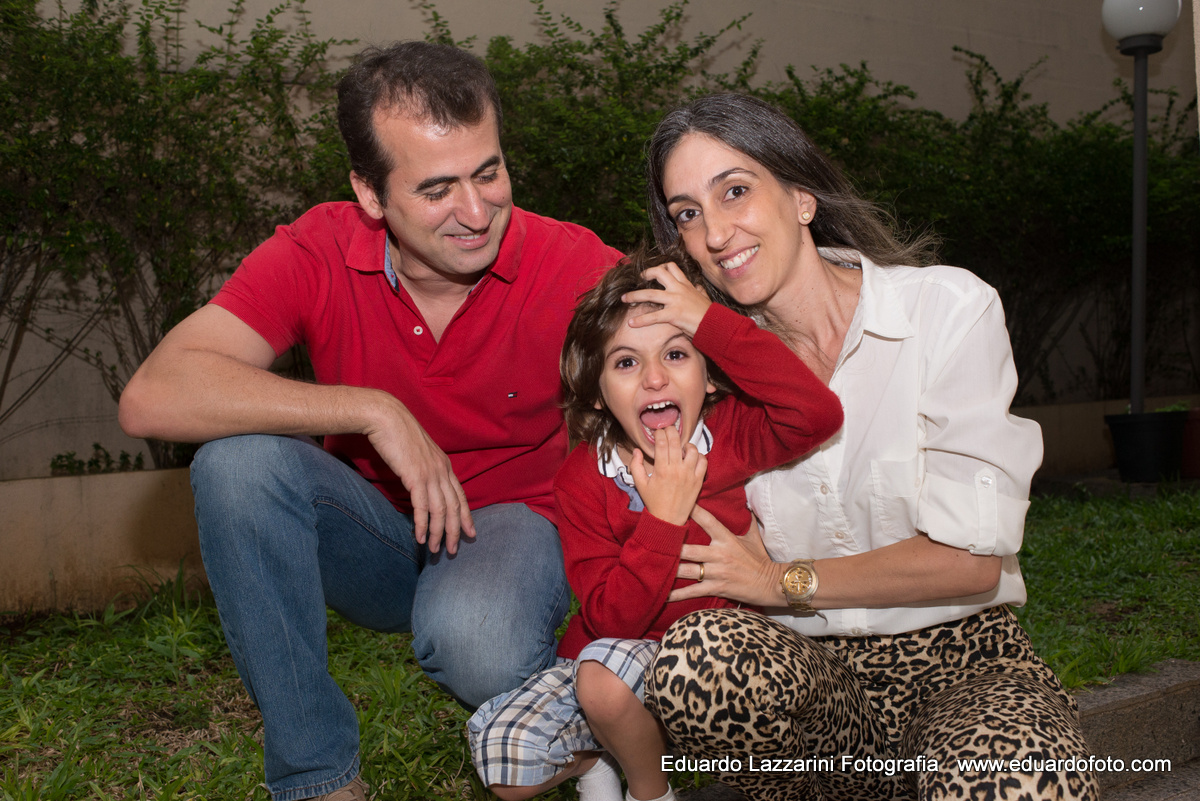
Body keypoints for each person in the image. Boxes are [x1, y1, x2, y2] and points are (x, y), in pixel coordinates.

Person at [117, 41, 622, 801]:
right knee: (237, 463)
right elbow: (152, 395)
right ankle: (319, 778)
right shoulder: (320, 248)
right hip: (377, 534)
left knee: (475, 642)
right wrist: (370, 408)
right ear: (371, 192)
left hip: (509, 527)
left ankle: (571, 703)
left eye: (489, 172)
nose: (477, 211)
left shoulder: (569, 262)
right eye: (437, 189)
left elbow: (694, 344)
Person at [626, 93, 1101, 801]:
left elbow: (968, 563)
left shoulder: (945, 310)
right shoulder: (706, 375)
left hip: (964, 659)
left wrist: (783, 581)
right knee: (700, 657)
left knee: (1019, 785)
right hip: (812, 682)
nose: (717, 232)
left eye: (735, 191)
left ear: (802, 198)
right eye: (688, 213)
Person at [467, 247, 844, 801]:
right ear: (597, 394)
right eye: (625, 363)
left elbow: (817, 414)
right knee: (506, 765)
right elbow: (608, 616)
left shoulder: (732, 436)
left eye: (676, 353)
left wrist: (712, 324)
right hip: (618, 660)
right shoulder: (582, 477)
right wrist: (663, 517)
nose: (653, 379)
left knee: (608, 680)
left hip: (714, 663)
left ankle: (649, 789)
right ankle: (597, 755)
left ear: (710, 376)